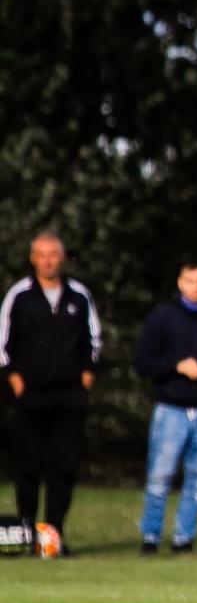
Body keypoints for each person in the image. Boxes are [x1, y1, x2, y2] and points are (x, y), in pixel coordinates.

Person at [0, 232, 101, 555]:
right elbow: (4, 343)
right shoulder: (19, 295)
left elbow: (93, 342)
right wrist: (16, 382)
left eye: (52, 254)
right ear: (32, 258)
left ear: (62, 257)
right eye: (41, 255)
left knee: (64, 467)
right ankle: (27, 534)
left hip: (70, 396)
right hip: (32, 395)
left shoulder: (79, 296)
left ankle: (53, 536)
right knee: (28, 465)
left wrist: (84, 379)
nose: (47, 260)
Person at [134, 259, 197, 554]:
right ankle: (151, 537)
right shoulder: (162, 318)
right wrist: (177, 366)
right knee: (160, 474)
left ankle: (184, 538)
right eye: (190, 281)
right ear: (180, 283)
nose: (196, 287)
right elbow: (143, 363)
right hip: (171, 409)